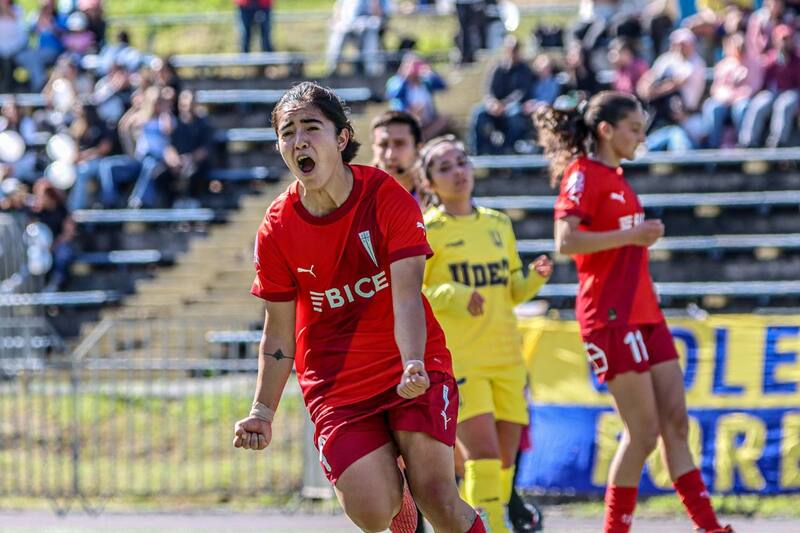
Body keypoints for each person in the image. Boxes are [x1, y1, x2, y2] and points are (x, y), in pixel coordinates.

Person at [232, 82, 486, 533]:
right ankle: (397, 500)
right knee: (372, 512)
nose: (299, 141)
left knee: (440, 501)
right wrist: (262, 412)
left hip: (410, 366)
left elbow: (406, 293)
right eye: (288, 133)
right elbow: (277, 335)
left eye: (312, 127)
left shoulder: (385, 196)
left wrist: (412, 364)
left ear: (342, 138)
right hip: (338, 387)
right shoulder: (276, 227)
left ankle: (417, 494)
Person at [533, 91, 734, 533]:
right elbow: (565, 241)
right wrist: (634, 236)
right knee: (642, 433)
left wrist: (636, 236)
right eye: (635, 129)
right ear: (607, 130)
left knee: (676, 423)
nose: (642, 138)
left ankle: (709, 527)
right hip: (609, 317)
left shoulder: (619, 177)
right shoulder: (582, 174)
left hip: (645, 314)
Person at [420, 134, 552, 533]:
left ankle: (492, 523)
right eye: (445, 167)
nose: (458, 172)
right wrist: (456, 294)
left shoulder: (498, 223)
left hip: (508, 356)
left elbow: (511, 290)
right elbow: (413, 291)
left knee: (506, 463)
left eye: (462, 162)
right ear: (428, 183)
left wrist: (533, 279)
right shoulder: (428, 229)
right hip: (463, 360)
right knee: (482, 456)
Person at [371, 110, 424, 203]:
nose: (390, 155)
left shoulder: (439, 197)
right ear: (374, 149)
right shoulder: (357, 199)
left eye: (399, 144)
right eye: (383, 144)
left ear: (418, 149)